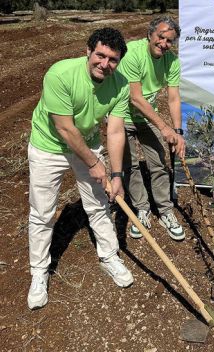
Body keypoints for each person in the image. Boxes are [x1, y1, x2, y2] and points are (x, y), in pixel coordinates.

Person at [27, 28, 134, 310]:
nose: (105, 64)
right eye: (100, 55)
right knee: (42, 212)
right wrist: (95, 164)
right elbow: (64, 128)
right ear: (88, 51)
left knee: (99, 203)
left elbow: (115, 131)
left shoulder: (121, 85)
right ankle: (39, 271)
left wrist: (116, 174)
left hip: (87, 143)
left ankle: (109, 255)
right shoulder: (60, 74)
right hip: (48, 146)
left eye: (112, 59)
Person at [117, 16, 185, 241]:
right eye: (161, 37)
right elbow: (135, 98)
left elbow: (173, 98)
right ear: (150, 35)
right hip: (123, 115)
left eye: (170, 41)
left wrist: (177, 131)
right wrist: (164, 127)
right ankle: (142, 208)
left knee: (158, 163)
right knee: (130, 165)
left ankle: (165, 210)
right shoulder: (132, 54)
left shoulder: (172, 61)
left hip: (147, 117)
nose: (164, 44)